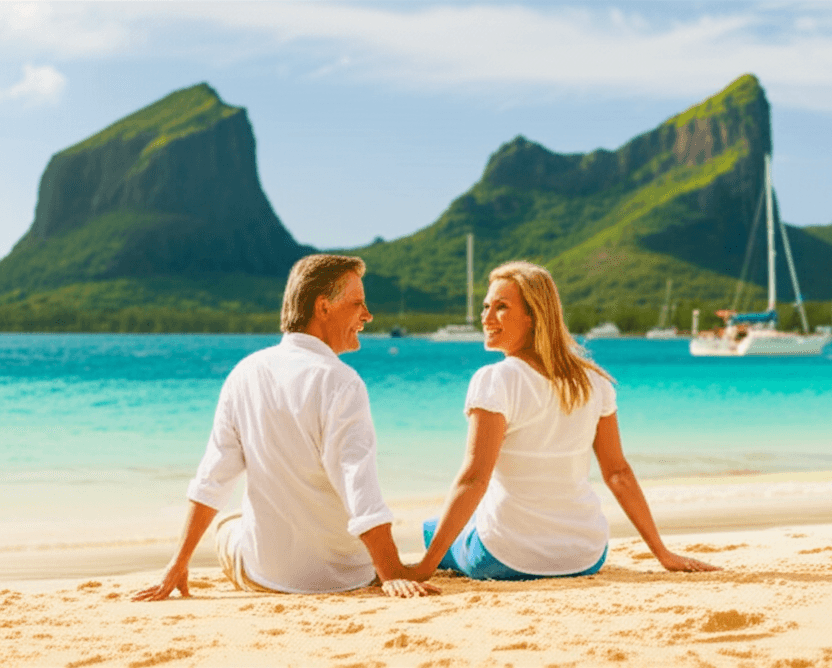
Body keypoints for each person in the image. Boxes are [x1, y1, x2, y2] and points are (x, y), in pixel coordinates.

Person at [134, 254, 437, 600]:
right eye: (358, 304)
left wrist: (178, 562)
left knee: (229, 523)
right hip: (348, 576)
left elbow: (213, 478)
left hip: (266, 576)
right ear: (323, 307)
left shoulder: (245, 374)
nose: (367, 315)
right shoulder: (342, 382)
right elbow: (358, 483)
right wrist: (391, 573)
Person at [413, 261, 720, 581]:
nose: (487, 318)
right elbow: (618, 473)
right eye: (486, 306)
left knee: (431, 528)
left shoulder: (496, 379)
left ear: (534, 316)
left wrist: (423, 568)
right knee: (475, 515)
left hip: (506, 559)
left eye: (501, 307)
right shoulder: (593, 381)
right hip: (585, 555)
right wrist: (662, 553)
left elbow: (474, 479)